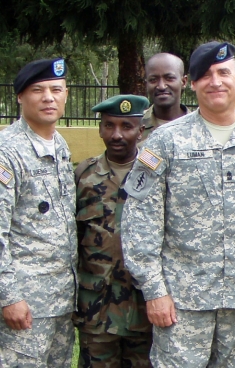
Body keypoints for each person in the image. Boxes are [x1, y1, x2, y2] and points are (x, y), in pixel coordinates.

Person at [121, 41, 235, 367]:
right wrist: (154, 290)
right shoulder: (166, 141)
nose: (216, 82)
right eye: (206, 75)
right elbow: (140, 220)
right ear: (192, 83)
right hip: (182, 299)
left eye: (224, 73)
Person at [0, 58, 77, 366]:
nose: (49, 98)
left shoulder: (59, 144)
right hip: (26, 303)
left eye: (56, 89)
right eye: (38, 90)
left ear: (66, 94)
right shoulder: (7, 152)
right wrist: (9, 296)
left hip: (59, 300)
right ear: (20, 96)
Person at [73, 94, 152, 368]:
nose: (116, 134)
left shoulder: (156, 174)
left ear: (140, 131)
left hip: (145, 308)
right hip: (96, 309)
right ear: (100, 128)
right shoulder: (84, 175)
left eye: (126, 126)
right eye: (109, 125)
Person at [141, 53, 189, 142]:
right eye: (153, 80)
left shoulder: (201, 125)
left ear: (184, 82)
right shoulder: (134, 127)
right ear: (146, 84)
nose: (161, 86)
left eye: (169, 78)